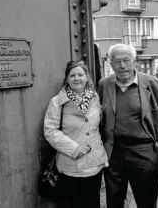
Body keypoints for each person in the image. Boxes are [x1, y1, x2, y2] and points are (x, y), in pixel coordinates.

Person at [98, 44, 158, 208]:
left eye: (126, 60)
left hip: (145, 152)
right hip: (114, 152)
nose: (122, 66)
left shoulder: (155, 85)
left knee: (146, 201)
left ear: (134, 62)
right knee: (114, 201)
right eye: (117, 61)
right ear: (110, 64)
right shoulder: (104, 84)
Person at [44, 60, 108, 208]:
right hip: (71, 165)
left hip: (95, 163)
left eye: (80, 74)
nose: (77, 78)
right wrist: (74, 148)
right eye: (72, 75)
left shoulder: (95, 98)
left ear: (86, 77)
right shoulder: (57, 102)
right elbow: (50, 131)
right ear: (67, 79)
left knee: (94, 203)